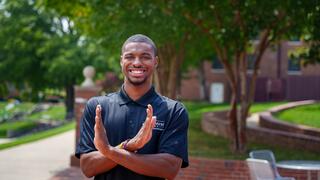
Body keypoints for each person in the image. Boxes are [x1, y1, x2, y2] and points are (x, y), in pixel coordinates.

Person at [76, 34, 189, 180]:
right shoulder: (97, 107)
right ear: (121, 61)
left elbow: (169, 169)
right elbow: (88, 167)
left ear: (156, 62)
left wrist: (108, 151)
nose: (137, 63)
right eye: (130, 56)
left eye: (145, 57)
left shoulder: (174, 111)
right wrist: (129, 145)